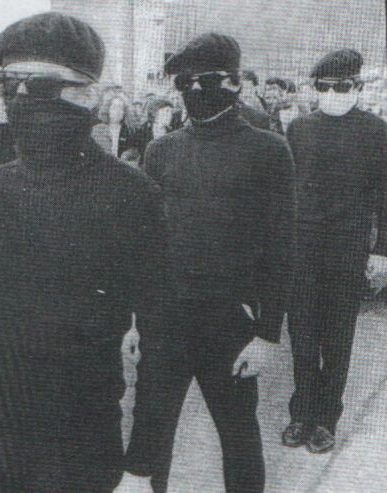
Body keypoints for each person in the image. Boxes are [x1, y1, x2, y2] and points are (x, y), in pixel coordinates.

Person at [0, 12, 172, 493]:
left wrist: (140, 468)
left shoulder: (131, 194)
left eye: (42, 86)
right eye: (8, 84)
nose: (21, 98)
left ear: (88, 94)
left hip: (80, 439)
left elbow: (164, 341)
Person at [127, 33, 296, 493]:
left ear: (235, 83)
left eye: (209, 80)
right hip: (165, 319)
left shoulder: (268, 150)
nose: (196, 90)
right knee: (148, 441)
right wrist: (135, 320)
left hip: (230, 322)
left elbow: (281, 249)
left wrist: (267, 335)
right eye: (186, 82)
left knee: (239, 438)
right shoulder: (162, 150)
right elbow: (147, 245)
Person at [283, 49, 387, 454]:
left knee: (338, 336)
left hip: (347, 247)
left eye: (341, 87)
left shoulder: (377, 131)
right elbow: (287, 191)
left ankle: (327, 418)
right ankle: (302, 412)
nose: (332, 94)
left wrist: (381, 251)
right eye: (324, 88)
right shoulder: (299, 128)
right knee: (302, 333)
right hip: (303, 245)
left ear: (357, 87)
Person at [133, 97, 183, 163]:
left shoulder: (174, 132)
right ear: (155, 113)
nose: (170, 115)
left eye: (171, 112)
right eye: (166, 111)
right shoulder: (143, 131)